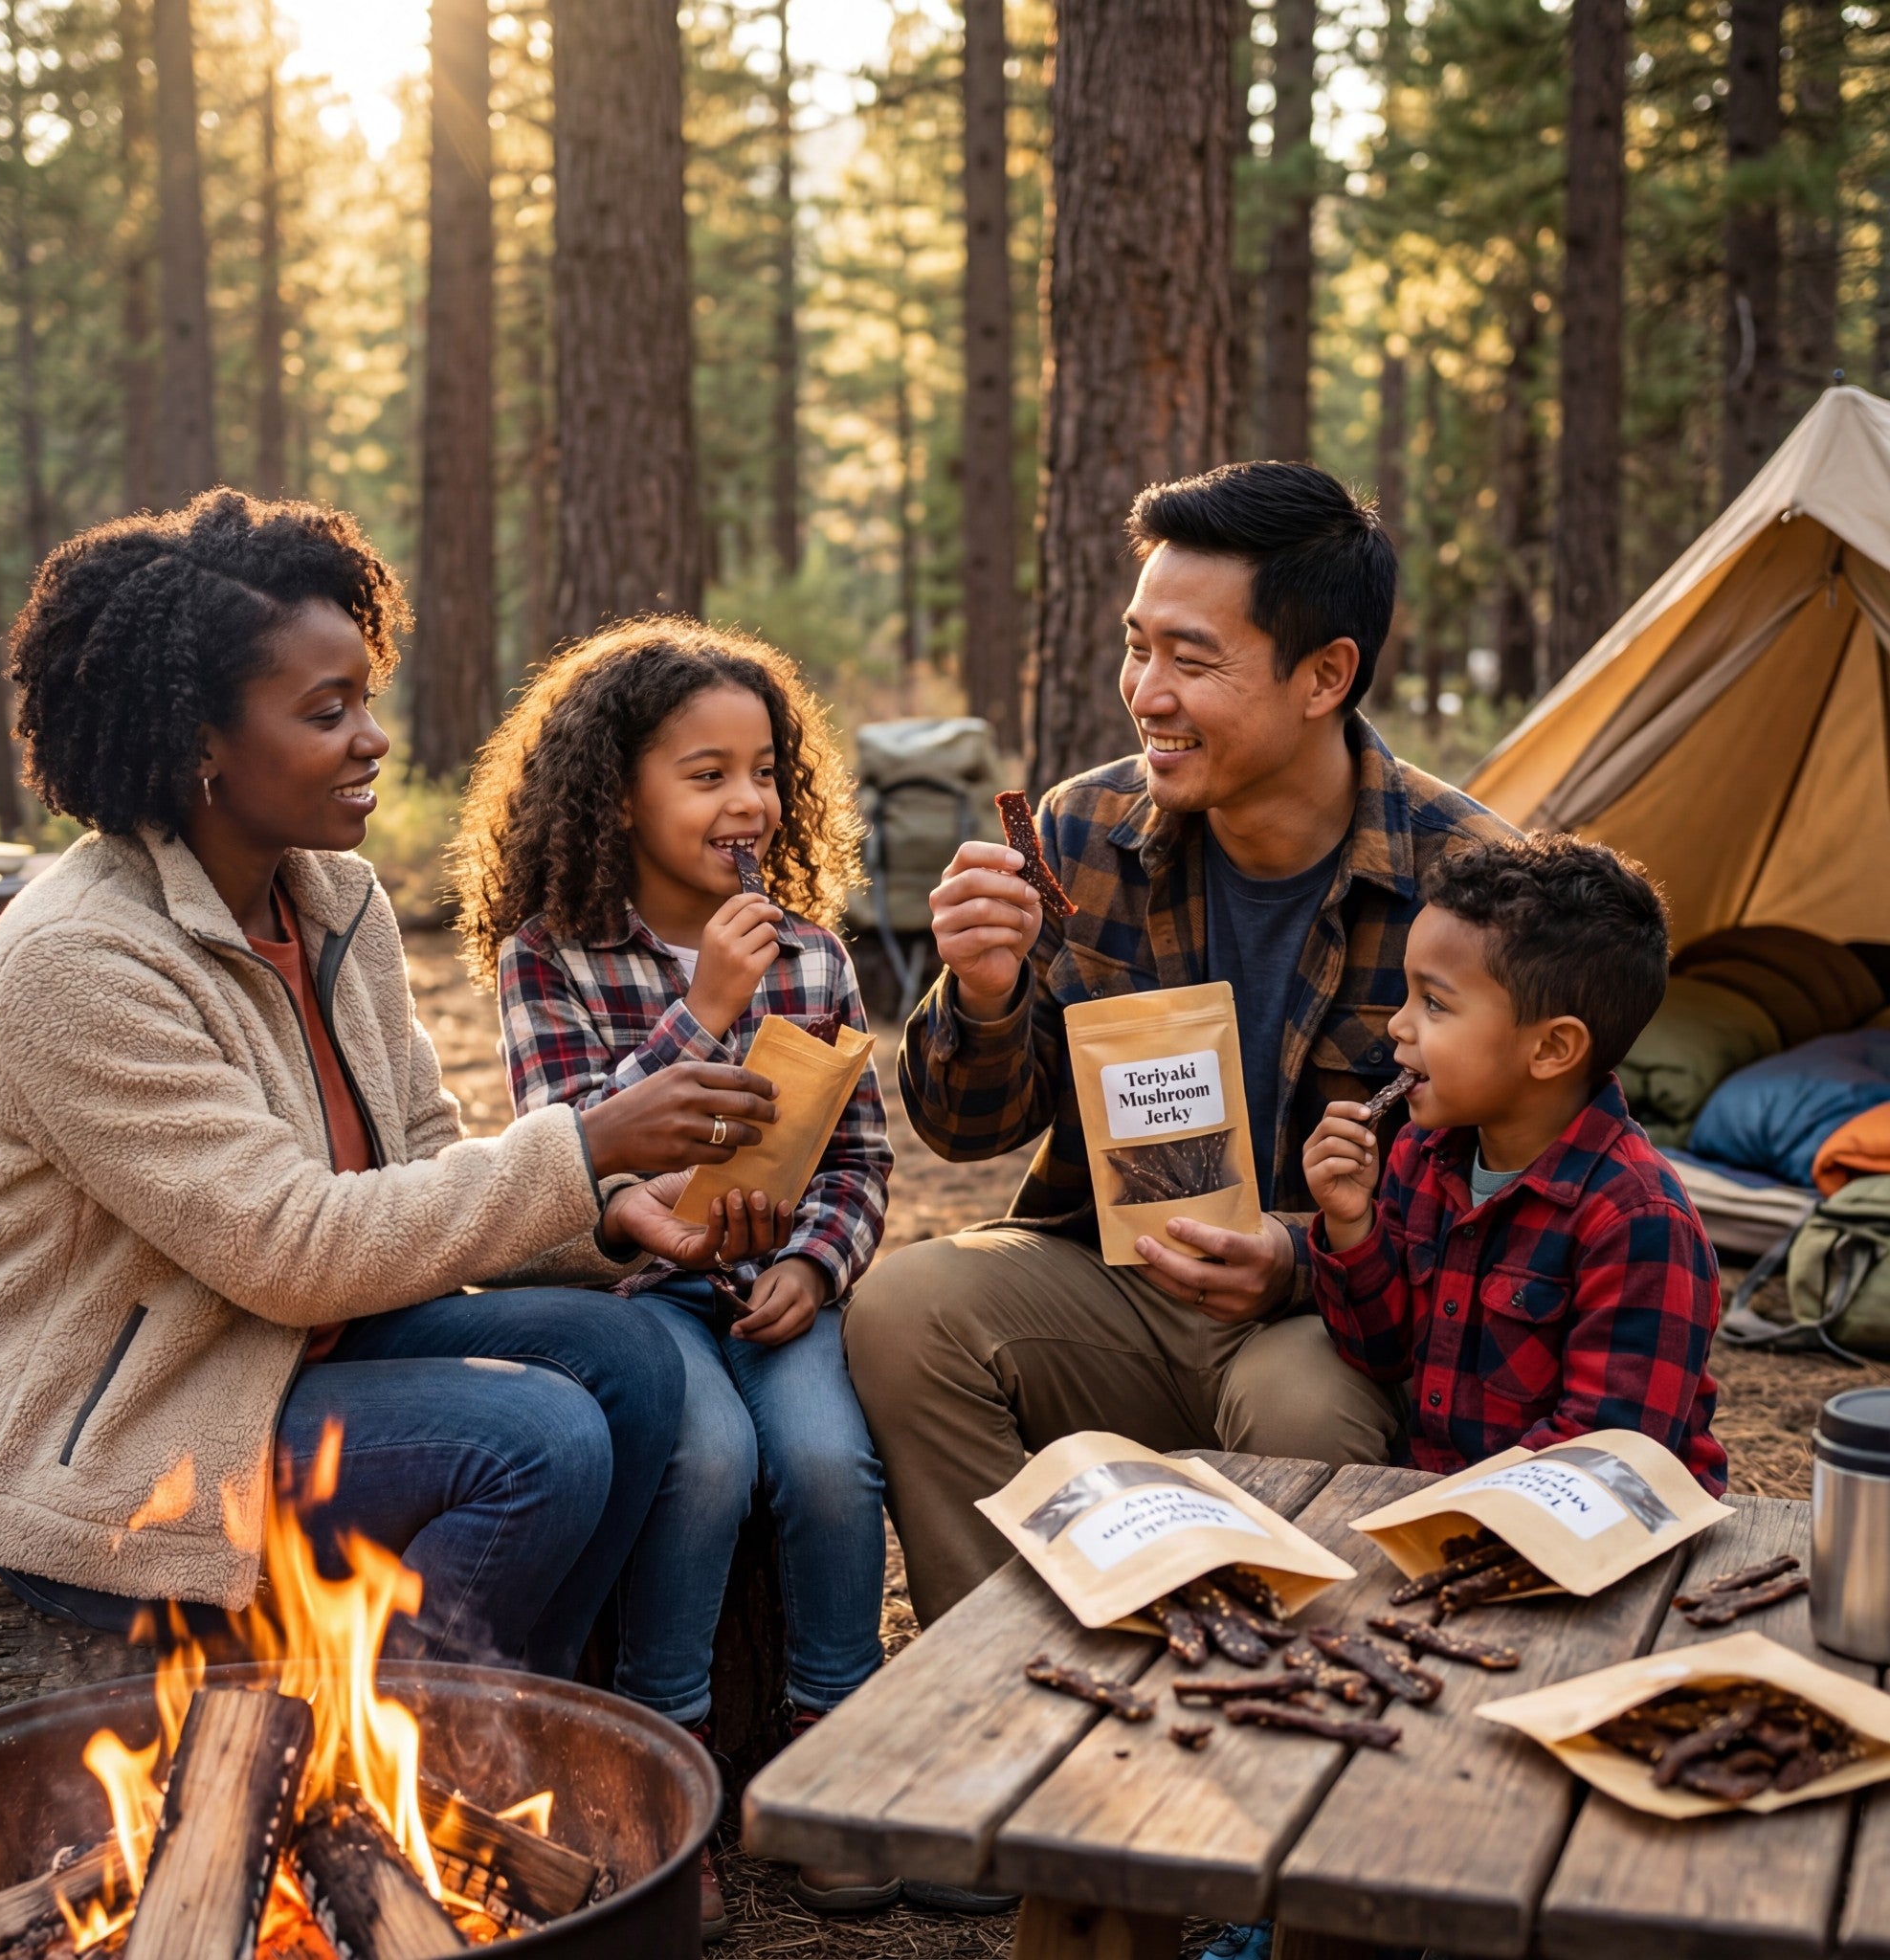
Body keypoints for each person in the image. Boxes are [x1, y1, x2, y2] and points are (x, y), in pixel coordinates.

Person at [0, 490, 790, 1682]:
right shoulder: (77, 959)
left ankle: (505, 1723)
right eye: (325, 711)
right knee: (533, 1440)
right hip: (136, 1441)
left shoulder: (335, 902)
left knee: (632, 1360)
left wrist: (601, 1213)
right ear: (197, 744)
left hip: (306, 1360)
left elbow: (421, 1167)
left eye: (367, 698)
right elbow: (288, 1248)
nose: (373, 737)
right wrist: (587, 1146)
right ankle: (388, 1798)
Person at [845, 459, 1518, 1636]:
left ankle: (1297, 1699)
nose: (1145, 692)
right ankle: (995, 1667)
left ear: (1325, 676)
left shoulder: (1466, 882)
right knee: (906, 1306)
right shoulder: (1080, 830)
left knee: (1301, 1400)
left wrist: (1302, 1260)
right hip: (1112, 1281)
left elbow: (1511, 1196)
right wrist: (987, 990)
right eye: (1135, 645)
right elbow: (965, 1127)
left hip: (1332, 1319)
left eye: (1191, 659)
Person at [452, 618, 894, 1935]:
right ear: (616, 790)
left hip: (774, 1294)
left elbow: (862, 1156)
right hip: (642, 1303)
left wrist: (815, 1265)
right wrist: (700, 1009)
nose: (747, 801)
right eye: (706, 774)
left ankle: (836, 1761)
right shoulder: (549, 953)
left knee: (823, 1464)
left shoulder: (813, 953)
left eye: (763, 771)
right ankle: (668, 1771)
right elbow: (569, 1154)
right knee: (699, 1462)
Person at [1301, 834, 1726, 1490]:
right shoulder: (1421, 1154)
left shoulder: (1638, 1222)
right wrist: (1351, 1225)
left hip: (1592, 1529)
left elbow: (1606, 1456)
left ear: (1553, 1049)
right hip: (1450, 1504)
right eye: (1407, 994)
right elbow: (1380, 1356)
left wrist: (1451, 1512)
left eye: (1435, 1004)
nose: (1398, 1025)